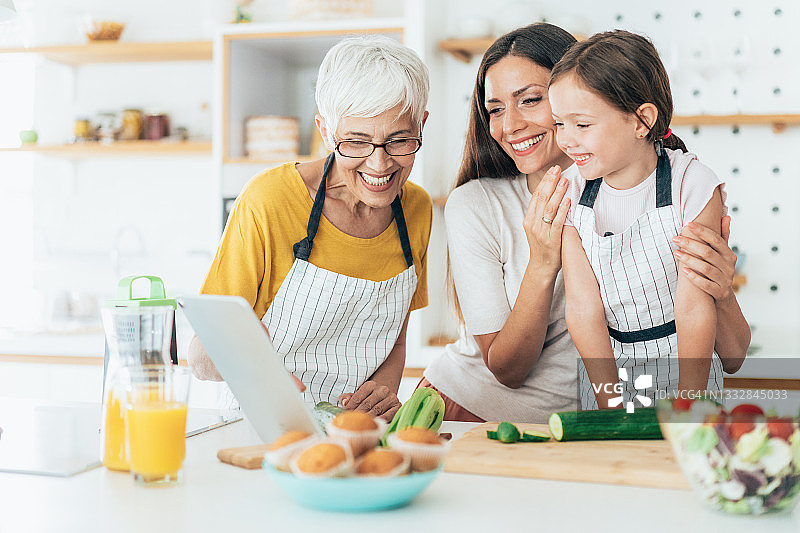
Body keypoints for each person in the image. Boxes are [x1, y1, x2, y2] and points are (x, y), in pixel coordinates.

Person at [420, 23, 749, 423]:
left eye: (530, 100)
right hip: (479, 409)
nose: (509, 126)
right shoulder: (479, 203)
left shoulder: (684, 183)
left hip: (603, 414)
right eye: (495, 109)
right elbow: (509, 368)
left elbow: (731, 355)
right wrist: (543, 261)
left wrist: (722, 292)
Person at [188, 35, 432, 422]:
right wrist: (261, 373)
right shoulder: (268, 200)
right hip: (260, 429)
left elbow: (393, 339)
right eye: (356, 141)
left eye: (399, 140)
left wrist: (381, 395)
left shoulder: (416, 209)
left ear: (421, 125)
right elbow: (201, 357)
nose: (380, 164)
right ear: (325, 131)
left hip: (359, 434)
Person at [549, 29, 747, 410]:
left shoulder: (692, 184)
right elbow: (583, 307)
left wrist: (689, 401)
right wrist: (608, 399)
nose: (566, 140)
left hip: (687, 365)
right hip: (607, 368)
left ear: (642, 121)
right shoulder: (571, 191)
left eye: (582, 125)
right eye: (560, 124)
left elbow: (692, 305)